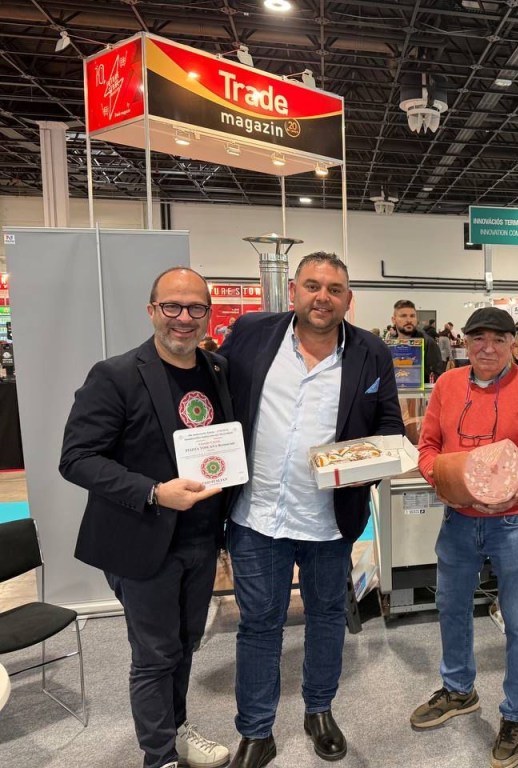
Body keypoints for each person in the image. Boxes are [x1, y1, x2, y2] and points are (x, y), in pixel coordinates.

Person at [220, 252, 403, 768]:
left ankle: (319, 710)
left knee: (326, 618)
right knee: (259, 624)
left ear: (349, 299)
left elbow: (389, 426)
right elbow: (214, 395)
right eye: (313, 286)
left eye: (335, 289)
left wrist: (367, 465)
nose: (323, 297)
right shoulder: (252, 334)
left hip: (330, 519)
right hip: (257, 515)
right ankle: (256, 731)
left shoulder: (370, 352)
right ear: (294, 290)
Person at [60, 267, 231, 768]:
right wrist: (154, 493)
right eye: (172, 306)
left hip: (201, 538)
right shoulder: (114, 375)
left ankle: (176, 728)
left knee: (186, 643)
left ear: (207, 314)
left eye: (195, 308)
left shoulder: (218, 369)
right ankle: (159, 758)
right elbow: (77, 459)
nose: (184, 318)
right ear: (152, 310)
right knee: (155, 654)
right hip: (142, 540)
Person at [410, 307, 518, 768]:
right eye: (478, 339)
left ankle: (516, 714)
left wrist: (515, 492)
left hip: (515, 522)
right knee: (451, 605)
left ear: (514, 343)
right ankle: (459, 689)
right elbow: (428, 447)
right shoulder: (447, 385)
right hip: (458, 519)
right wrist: (440, 478)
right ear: (466, 343)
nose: (488, 348)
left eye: (498, 339)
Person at [393, 300, 446, 382]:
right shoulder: (390, 346)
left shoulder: (428, 343)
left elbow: (436, 376)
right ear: (394, 320)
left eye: (412, 316)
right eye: (403, 316)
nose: (409, 320)